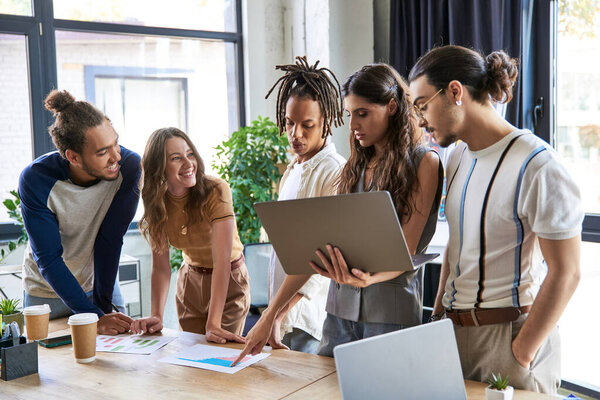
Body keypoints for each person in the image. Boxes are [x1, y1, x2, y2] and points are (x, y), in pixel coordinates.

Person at [234, 63, 442, 365]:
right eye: (350, 114)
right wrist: (270, 315)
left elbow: (406, 249)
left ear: (392, 107)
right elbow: (316, 251)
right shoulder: (353, 168)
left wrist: (368, 280)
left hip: (390, 314)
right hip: (339, 311)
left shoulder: (425, 163)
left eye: (363, 113)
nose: (354, 124)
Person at [408, 45, 583, 394]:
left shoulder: (537, 164)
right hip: (454, 336)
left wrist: (521, 352)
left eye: (422, 104)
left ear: (455, 92)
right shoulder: (456, 156)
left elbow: (567, 271)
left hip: (509, 338)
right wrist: (440, 312)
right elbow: (457, 246)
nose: (420, 118)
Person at [20, 89, 140, 335]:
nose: (115, 156)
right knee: (50, 368)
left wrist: (103, 307)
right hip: (46, 293)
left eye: (115, 143)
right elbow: (49, 258)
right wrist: (93, 317)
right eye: (102, 152)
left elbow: (111, 237)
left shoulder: (128, 168)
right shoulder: (36, 180)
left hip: (97, 283)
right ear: (73, 157)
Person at [130, 127, 249, 344]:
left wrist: (213, 323)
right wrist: (156, 314)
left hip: (229, 279)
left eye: (190, 154)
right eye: (176, 158)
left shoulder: (216, 190)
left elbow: (221, 262)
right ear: (159, 167)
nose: (188, 164)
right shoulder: (157, 202)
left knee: (219, 356)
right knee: (191, 357)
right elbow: (160, 267)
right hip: (190, 283)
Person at [263, 56, 346, 353]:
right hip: (282, 317)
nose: (295, 134)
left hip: (306, 320)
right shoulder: (292, 170)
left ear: (326, 123)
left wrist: (279, 313)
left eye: (307, 125)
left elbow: (324, 254)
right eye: (289, 123)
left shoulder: (335, 171)